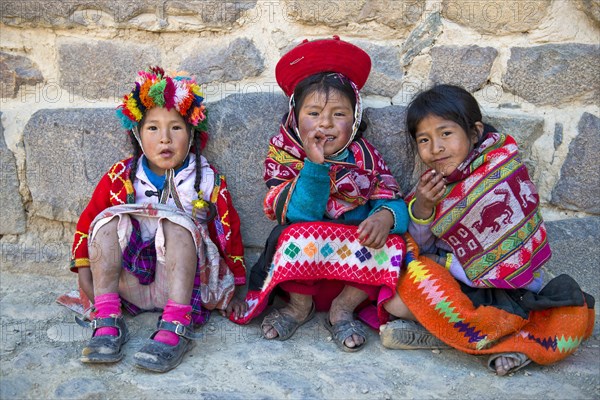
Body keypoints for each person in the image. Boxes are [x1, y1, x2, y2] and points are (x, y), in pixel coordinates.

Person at [380, 84, 595, 375]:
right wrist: (423, 208)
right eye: (424, 139)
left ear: (474, 133)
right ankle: (492, 341)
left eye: (446, 133)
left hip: (512, 291)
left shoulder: (501, 166)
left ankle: (485, 340)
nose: (436, 148)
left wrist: (444, 262)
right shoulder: (433, 185)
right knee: (394, 298)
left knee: (575, 318)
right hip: (461, 290)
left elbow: (520, 247)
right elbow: (423, 246)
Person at [231, 36, 409, 352]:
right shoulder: (285, 154)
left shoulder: (364, 156)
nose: (325, 123)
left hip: (353, 272)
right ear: (294, 116)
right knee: (295, 233)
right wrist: (314, 167)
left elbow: (390, 196)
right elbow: (298, 216)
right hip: (303, 277)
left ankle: (343, 310)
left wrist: (385, 215)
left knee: (394, 241)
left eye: (339, 113)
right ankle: (300, 308)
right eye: (313, 112)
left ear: (354, 118)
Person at [70, 66, 247, 372]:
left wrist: (237, 286)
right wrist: (85, 272)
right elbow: (89, 223)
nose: (165, 138)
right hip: (129, 282)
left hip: (183, 285)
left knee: (175, 224)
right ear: (138, 135)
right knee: (108, 220)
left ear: (191, 135)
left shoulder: (205, 179)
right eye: (153, 128)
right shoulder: (121, 177)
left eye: (176, 128)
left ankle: (176, 325)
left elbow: (228, 231)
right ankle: (107, 318)